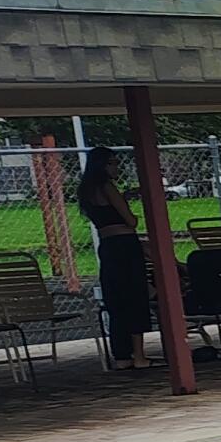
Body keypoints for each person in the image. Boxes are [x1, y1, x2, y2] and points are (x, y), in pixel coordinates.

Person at [77, 148, 151, 369]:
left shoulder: (86, 190)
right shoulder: (108, 187)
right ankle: (139, 355)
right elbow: (131, 221)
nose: (117, 167)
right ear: (102, 165)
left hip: (107, 245)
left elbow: (104, 214)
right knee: (135, 295)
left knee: (116, 297)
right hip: (125, 243)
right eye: (112, 163)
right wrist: (128, 207)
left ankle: (122, 355)